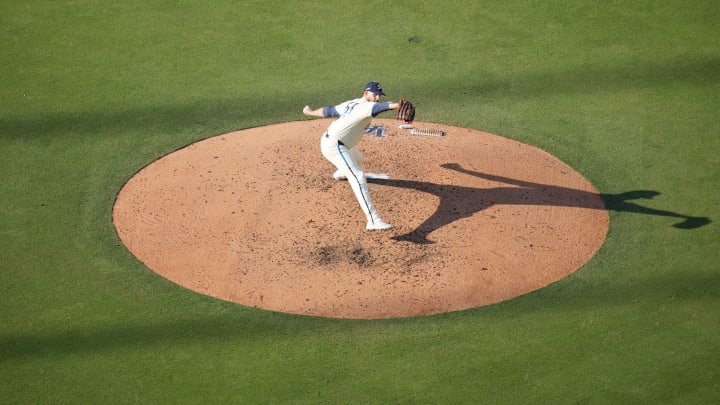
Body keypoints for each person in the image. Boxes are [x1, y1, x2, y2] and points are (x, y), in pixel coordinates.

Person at [302, 81, 402, 230]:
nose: (377, 98)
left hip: (341, 144)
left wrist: (310, 112)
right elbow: (377, 107)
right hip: (335, 147)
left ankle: (341, 173)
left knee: (358, 158)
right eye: (375, 95)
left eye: (379, 96)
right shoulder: (366, 106)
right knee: (358, 176)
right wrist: (395, 106)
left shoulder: (353, 103)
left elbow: (329, 111)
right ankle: (373, 220)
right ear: (366, 92)